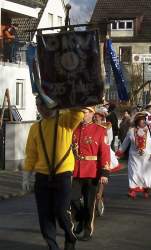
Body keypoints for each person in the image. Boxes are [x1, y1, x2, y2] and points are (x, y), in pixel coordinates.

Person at [23, 96, 84, 250]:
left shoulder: (65, 120)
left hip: (63, 174)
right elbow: (31, 155)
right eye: (37, 105)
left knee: (61, 212)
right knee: (45, 217)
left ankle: (70, 237)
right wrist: (26, 176)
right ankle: (53, 247)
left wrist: (66, 95)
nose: (40, 108)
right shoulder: (35, 128)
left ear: (50, 104)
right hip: (42, 177)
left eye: (42, 104)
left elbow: (78, 113)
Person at [71, 107, 110, 241]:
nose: (82, 114)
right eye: (81, 112)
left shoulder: (100, 130)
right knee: (73, 198)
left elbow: (105, 152)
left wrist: (105, 172)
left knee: (89, 203)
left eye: (85, 112)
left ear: (92, 113)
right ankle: (81, 219)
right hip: (76, 169)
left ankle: (88, 231)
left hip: (92, 171)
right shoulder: (75, 128)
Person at [116, 112, 151, 199]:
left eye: (144, 119)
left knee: (146, 174)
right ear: (137, 121)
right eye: (141, 120)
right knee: (134, 173)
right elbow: (125, 143)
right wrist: (119, 153)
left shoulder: (150, 130)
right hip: (134, 157)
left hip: (147, 157)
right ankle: (132, 190)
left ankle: (146, 189)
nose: (143, 121)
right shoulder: (131, 131)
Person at [93, 106, 122, 216]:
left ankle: (99, 195)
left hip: (103, 152)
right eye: (94, 117)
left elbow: (108, 141)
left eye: (97, 117)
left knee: (102, 175)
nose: (95, 119)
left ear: (101, 118)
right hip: (92, 153)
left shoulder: (106, 127)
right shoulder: (89, 126)